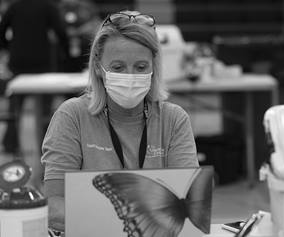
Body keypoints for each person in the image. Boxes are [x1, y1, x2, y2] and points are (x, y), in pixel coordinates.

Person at [41, 10, 199, 232]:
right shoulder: (72, 116)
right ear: (98, 66)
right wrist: (122, 222)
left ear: (154, 67)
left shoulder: (173, 120)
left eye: (141, 67)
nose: (130, 75)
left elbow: (188, 203)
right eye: (118, 67)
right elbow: (53, 206)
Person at [0, 0, 70, 154]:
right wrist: (65, 51)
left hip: (18, 60)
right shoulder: (48, 6)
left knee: (15, 108)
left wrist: (8, 47)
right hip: (42, 61)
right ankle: (46, 146)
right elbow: (60, 30)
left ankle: (10, 145)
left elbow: (2, 29)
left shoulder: (15, 6)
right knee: (45, 109)